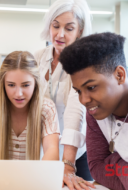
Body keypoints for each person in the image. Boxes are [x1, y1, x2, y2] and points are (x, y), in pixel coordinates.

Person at [59, 32, 128, 190]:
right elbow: (96, 169)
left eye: (91, 87)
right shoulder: (97, 108)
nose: (84, 100)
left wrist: (113, 161)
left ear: (119, 75)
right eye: (78, 91)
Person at [34, 0, 94, 189]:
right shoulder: (37, 58)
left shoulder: (84, 63)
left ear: (80, 30)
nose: (60, 34)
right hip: (43, 150)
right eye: (55, 26)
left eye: (69, 28)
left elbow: (75, 113)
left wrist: (68, 165)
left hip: (75, 153)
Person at [0, 51, 60, 161]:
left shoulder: (47, 108)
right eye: (11, 85)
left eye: (26, 85)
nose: (18, 93)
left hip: (34, 177)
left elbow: (52, 149)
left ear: (35, 83)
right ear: (3, 83)